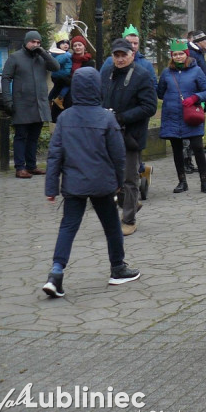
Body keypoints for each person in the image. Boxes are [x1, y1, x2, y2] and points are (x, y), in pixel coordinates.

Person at [41, 67, 141, 298]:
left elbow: (55, 154)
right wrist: (118, 181)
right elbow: (118, 155)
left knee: (68, 227)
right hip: (102, 184)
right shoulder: (106, 117)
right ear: (97, 88)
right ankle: (118, 268)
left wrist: (51, 188)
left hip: (74, 184)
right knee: (112, 227)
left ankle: (56, 273)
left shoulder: (65, 118)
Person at [102, 38, 157, 236]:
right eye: (116, 55)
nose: (120, 59)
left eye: (123, 55)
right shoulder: (106, 73)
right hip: (108, 134)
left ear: (132, 54)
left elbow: (149, 107)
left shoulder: (142, 75)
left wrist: (121, 117)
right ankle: (132, 203)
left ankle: (129, 219)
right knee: (108, 177)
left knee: (129, 178)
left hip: (130, 135)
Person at [1, 31, 60, 178]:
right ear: (26, 42)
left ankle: (31, 166)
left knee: (34, 136)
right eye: (33, 42)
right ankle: (20, 167)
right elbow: (6, 78)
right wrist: (8, 100)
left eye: (38, 42)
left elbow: (56, 67)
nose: (36, 44)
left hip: (39, 104)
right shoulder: (15, 57)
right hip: (21, 103)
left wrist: (43, 52)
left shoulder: (41, 57)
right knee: (21, 136)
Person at [157, 39, 206, 193]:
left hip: (191, 116)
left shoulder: (196, 71)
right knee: (177, 150)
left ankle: (204, 182)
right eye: (175, 54)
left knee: (197, 148)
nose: (178, 57)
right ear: (171, 56)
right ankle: (182, 181)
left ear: (186, 54)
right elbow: (160, 92)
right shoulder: (167, 72)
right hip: (172, 116)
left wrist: (195, 98)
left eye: (181, 54)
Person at [48, 38, 72, 121]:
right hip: (63, 74)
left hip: (57, 75)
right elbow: (58, 62)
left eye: (67, 43)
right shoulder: (66, 55)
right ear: (58, 45)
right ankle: (60, 98)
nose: (66, 45)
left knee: (55, 88)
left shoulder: (55, 54)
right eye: (63, 43)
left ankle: (49, 98)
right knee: (68, 85)